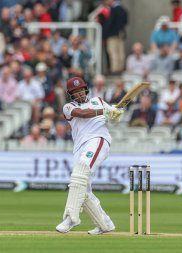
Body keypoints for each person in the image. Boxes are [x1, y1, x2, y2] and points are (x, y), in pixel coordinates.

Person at [55, 77, 122, 235]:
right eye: (75, 92)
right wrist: (105, 110)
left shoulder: (98, 101)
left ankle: (71, 218)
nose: (79, 94)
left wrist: (116, 114)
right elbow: (83, 114)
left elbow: (112, 120)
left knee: (81, 171)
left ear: (85, 89)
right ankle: (105, 224)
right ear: (71, 94)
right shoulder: (68, 107)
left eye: (81, 90)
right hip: (80, 147)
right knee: (82, 188)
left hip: (98, 140)